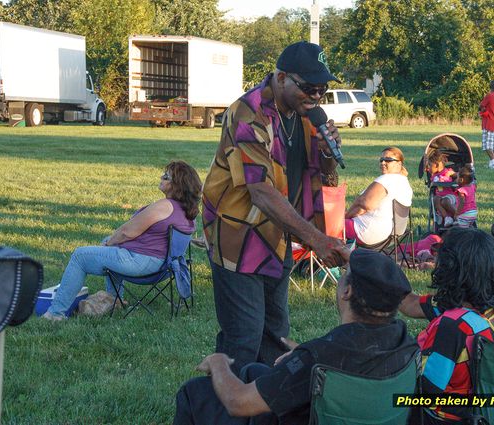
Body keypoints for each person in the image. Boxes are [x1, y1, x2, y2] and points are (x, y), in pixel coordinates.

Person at [201, 41, 350, 373]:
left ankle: (264, 407)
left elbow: (323, 177)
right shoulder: (248, 112)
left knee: (276, 336)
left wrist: (327, 154)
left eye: (322, 90)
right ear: (281, 77)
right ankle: (225, 406)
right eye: (309, 87)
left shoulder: (307, 115)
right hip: (237, 235)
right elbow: (260, 192)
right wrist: (317, 240)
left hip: (278, 233)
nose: (316, 96)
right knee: (243, 337)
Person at [173, 248, 419, 425]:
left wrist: (218, 363)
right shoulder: (407, 345)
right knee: (254, 371)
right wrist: (302, 354)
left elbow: (239, 403)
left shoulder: (317, 359)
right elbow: (356, 366)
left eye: (344, 272)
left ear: (347, 291)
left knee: (194, 392)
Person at [42, 161, 201, 321]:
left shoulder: (164, 206)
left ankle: (55, 314)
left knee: (80, 255)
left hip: (143, 263)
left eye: (166, 177)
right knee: (110, 244)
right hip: (163, 265)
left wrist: (110, 243)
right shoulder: (186, 210)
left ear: (177, 185)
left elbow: (127, 232)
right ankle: (114, 299)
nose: (161, 177)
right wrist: (111, 242)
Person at [400, 228, 494, 424]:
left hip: (444, 418)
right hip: (488, 415)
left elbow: (428, 391)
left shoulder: (453, 326)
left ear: (449, 270)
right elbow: (411, 304)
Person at [345, 146, 413, 245]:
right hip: (391, 235)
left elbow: (364, 205)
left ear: (399, 164)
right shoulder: (404, 182)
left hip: (368, 231)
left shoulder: (387, 179)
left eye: (388, 160)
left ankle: (328, 258)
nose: (383, 163)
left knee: (325, 224)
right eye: (381, 160)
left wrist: (346, 217)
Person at [427, 150, 457, 228]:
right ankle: (447, 217)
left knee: (445, 201)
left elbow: (460, 175)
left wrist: (452, 174)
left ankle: (458, 216)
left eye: (430, 165)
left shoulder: (448, 171)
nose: (428, 168)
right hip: (440, 197)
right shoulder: (434, 176)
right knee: (435, 199)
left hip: (450, 196)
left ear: (436, 165)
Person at [479, 80, 494, 170]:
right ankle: (491, 164)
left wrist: (483, 111)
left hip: (488, 122)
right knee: (493, 145)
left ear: (490, 86)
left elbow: (481, 106)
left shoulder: (489, 95)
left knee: (487, 146)